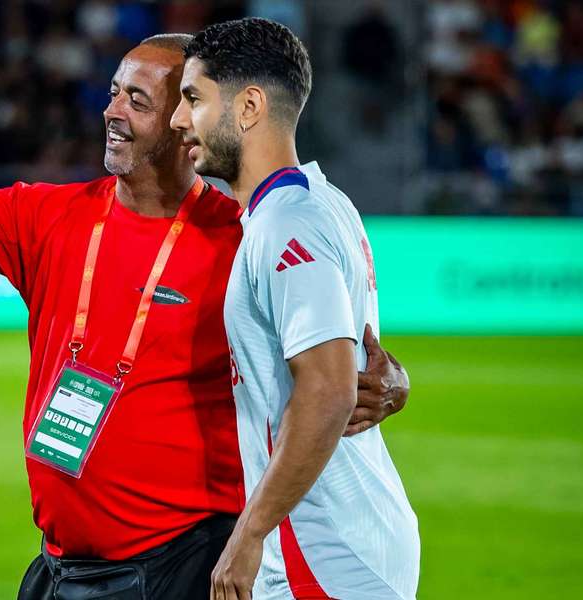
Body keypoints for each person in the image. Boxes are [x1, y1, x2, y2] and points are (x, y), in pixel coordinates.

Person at [0, 34, 411, 600]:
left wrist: (392, 380)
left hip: (184, 564)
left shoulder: (244, 238)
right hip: (58, 566)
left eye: (138, 100)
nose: (112, 113)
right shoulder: (47, 215)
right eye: (113, 93)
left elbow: (339, 359)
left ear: (186, 122)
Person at [170, 18, 420, 600]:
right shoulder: (322, 201)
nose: (180, 120)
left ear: (250, 105)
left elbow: (329, 390)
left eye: (193, 98)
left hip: (322, 550)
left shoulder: (285, 224)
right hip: (350, 537)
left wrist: (248, 536)